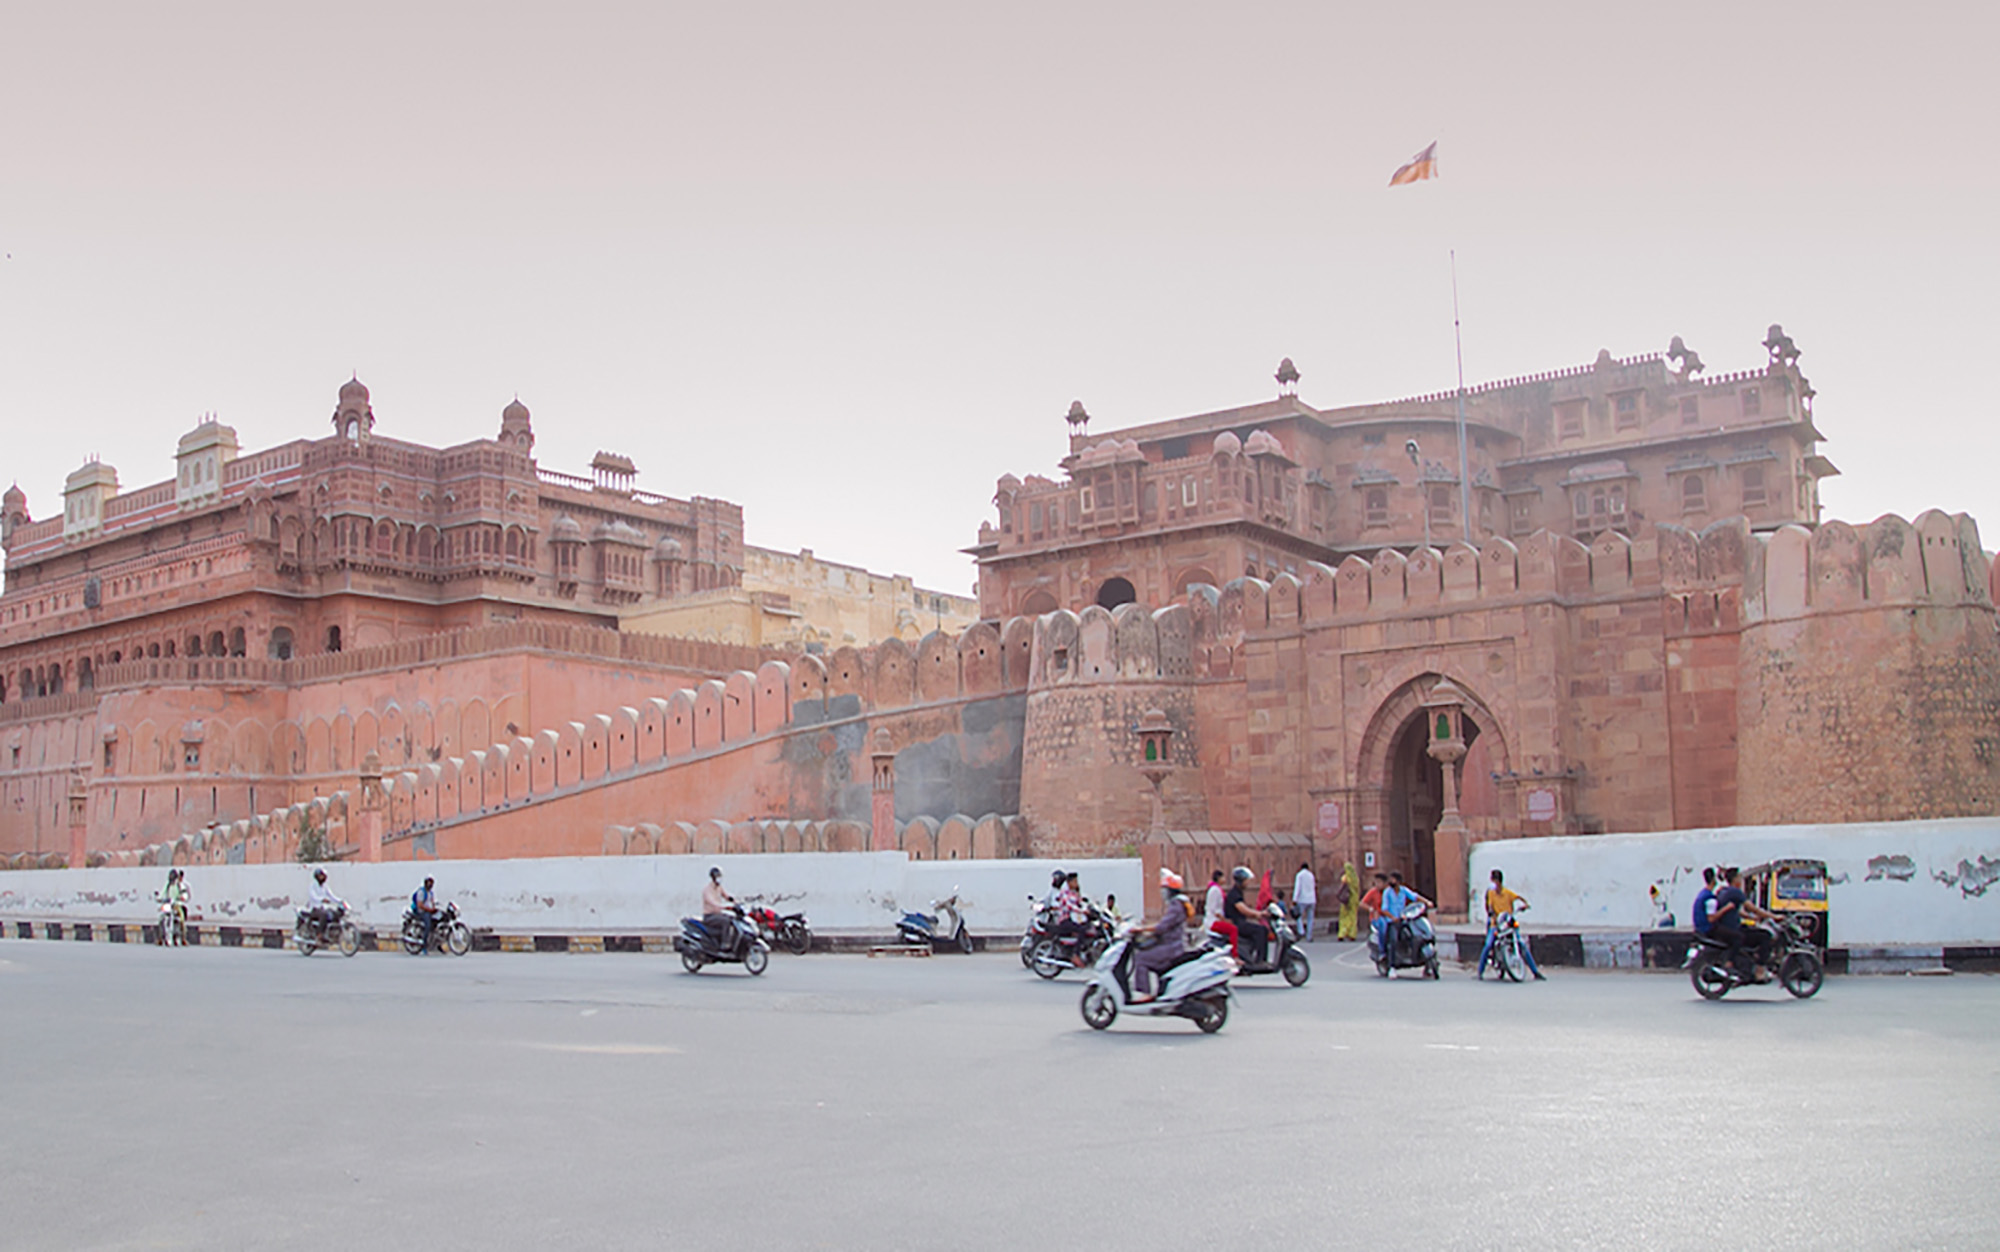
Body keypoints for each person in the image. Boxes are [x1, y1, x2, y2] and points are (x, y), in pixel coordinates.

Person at [1131, 869, 1190, 1002]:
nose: (1162, 893)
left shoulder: (1176, 905)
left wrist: (1142, 929)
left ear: (1170, 891)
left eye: (1164, 890)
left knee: (1142, 958)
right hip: (1173, 944)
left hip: (1172, 947)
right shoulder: (1177, 904)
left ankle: (1144, 993)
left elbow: (1162, 927)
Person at [1476, 868, 1544, 980]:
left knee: (1521, 944)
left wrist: (1524, 905)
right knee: (1488, 945)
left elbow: (1518, 898)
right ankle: (1480, 971)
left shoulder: (1507, 893)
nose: (1493, 884)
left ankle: (1535, 972)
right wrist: (1491, 913)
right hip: (1496, 924)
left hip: (1508, 924)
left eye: (1494, 881)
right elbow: (1489, 907)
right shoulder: (1491, 894)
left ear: (1498, 881)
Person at [1710, 866, 1776, 977]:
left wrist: (1752, 918)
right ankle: (1760, 969)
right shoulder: (1736, 892)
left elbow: (1737, 911)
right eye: (1740, 878)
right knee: (1765, 936)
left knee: (1752, 931)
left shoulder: (1723, 891)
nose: (1741, 881)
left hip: (1728, 927)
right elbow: (1753, 908)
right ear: (1735, 880)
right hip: (1733, 929)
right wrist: (1773, 916)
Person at [1225, 867, 1268, 965]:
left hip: (1240, 922)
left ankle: (1252, 956)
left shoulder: (1238, 892)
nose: (1248, 883)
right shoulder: (1234, 894)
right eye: (1246, 880)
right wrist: (1259, 914)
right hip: (1237, 923)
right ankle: (1260, 961)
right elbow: (1243, 910)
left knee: (1258, 930)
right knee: (1261, 930)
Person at [701, 866, 737, 954]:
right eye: (717, 877)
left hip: (717, 914)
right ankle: (725, 944)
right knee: (725, 921)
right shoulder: (707, 890)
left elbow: (726, 896)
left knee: (733, 919)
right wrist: (724, 907)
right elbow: (712, 902)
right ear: (713, 878)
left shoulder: (719, 887)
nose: (719, 879)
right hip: (709, 916)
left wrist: (734, 901)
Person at [1203, 870, 1237, 953]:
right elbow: (1216, 910)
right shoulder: (1215, 890)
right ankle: (1235, 954)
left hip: (1213, 920)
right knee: (1233, 929)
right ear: (1218, 878)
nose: (1225, 879)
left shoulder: (1216, 889)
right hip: (1213, 921)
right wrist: (1225, 920)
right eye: (1223, 877)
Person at [307, 867, 346, 936]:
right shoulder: (312, 886)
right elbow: (313, 896)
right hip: (315, 908)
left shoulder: (325, 886)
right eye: (320, 876)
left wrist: (340, 901)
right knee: (324, 915)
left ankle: (333, 933)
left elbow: (331, 896)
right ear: (316, 876)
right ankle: (319, 934)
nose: (322, 878)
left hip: (323, 908)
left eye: (323, 876)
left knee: (334, 914)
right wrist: (322, 899)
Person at [160, 868, 189, 946]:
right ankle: (160, 937)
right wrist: (159, 898)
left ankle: (183, 938)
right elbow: (162, 892)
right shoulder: (168, 885)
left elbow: (184, 894)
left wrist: (183, 897)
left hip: (177, 904)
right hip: (168, 904)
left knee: (181, 918)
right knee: (161, 917)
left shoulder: (180, 885)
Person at [411, 876, 440, 952]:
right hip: (422, 912)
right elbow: (420, 905)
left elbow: (432, 902)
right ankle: (424, 944)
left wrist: (434, 908)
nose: (430, 885)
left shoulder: (430, 893)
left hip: (429, 911)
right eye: (429, 883)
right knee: (428, 925)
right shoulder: (421, 892)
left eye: (431, 883)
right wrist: (429, 910)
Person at [1361, 872, 1387, 955]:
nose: (1377, 884)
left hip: (1389, 915)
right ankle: (1382, 950)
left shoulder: (1389, 892)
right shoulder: (1373, 892)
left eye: (1379, 882)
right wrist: (1371, 909)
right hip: (1377, 917)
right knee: (1383, 927)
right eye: (1376, 882)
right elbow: (1362, 903)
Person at [1292, 861, 1318, 943]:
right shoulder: (1311, 875)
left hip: (1302, 899)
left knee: (1299, 916)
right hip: (1311, 899)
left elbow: (1297, 887)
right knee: (1310, 918)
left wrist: (1294, 899)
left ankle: (1301, 931)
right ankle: (1309, 936)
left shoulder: (1299, 875)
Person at [1690, 867, 1718, 940]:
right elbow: (1711, 918)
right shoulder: (1709, 897)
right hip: (1706, 929)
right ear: (1713, 880)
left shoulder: (1702, 894)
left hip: (1699, 928)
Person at [1336, 862, 1360, 941]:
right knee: (1353, 917)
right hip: (1354, 900)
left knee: (1344, 917)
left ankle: (1342, 933)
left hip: (1346, 901)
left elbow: (1342, 888)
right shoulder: (1355, 879)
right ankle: (1352, 934)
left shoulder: (1345, 878)